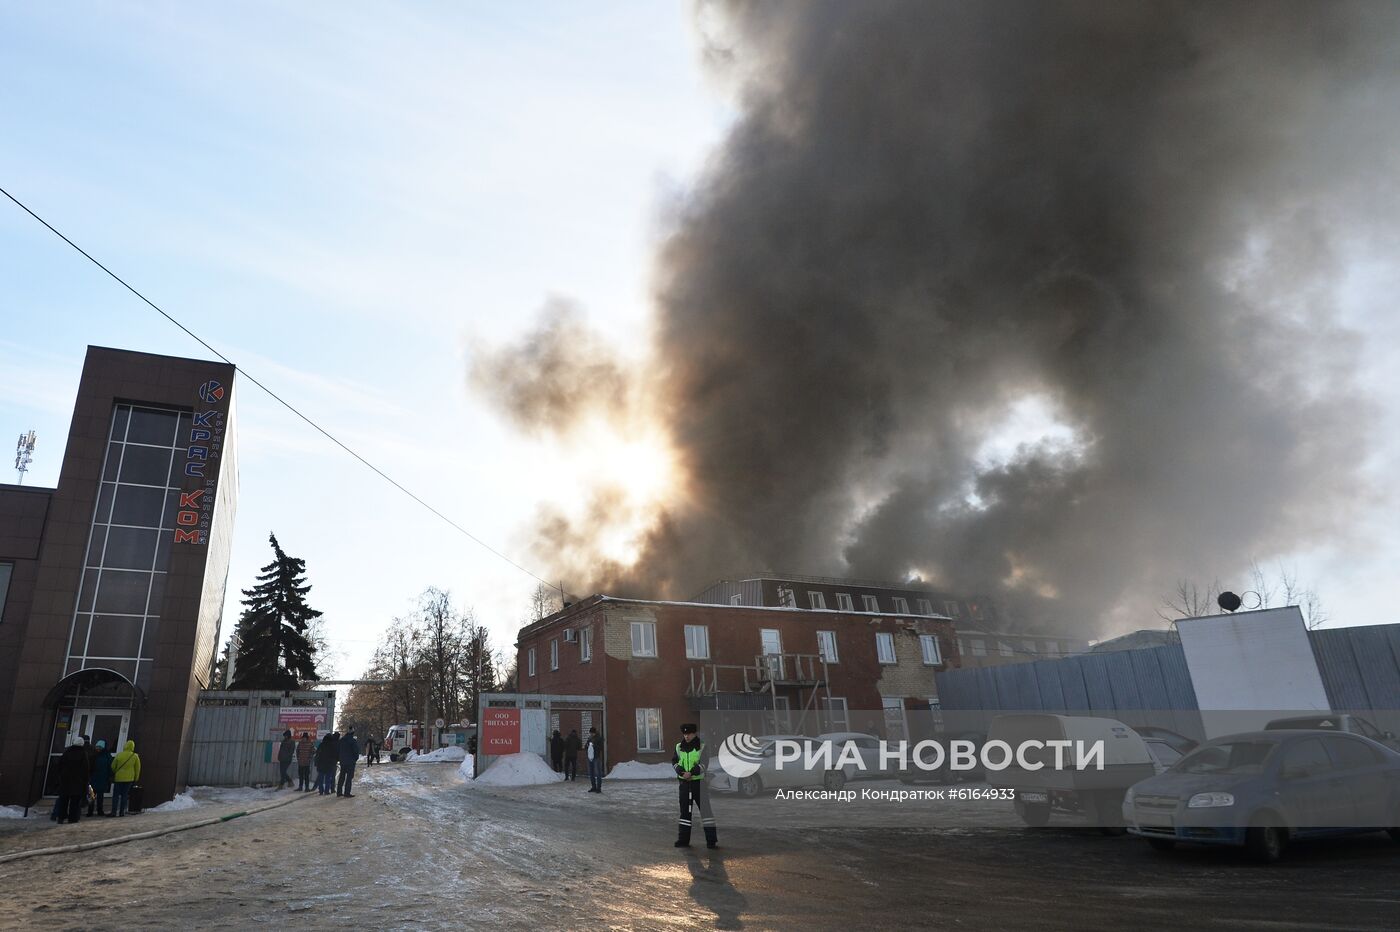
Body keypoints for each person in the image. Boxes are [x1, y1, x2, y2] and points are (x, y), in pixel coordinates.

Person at [672, 723, 717, 849]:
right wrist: (681, 772)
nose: (686, 736)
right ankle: (683, 840)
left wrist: (691, 773)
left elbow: (704, 764)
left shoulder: (702, 747)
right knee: (685, 812)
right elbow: (674, 762)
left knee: (705, 811)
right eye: (684, 734)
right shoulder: (678, 747)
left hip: (698, 784)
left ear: (694, 733)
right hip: (684, 784)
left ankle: (711, 840)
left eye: (689, 734)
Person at [56, 734, 90, 824]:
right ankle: (72, 819)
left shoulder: (67, 752)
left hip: (65, 781)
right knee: (75, 802)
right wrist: (85, 781)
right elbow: (85, 769)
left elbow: (59, 765)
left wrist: (61, 776)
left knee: (63, 800)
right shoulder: (83, 754)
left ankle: (61, 817)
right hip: (77, 782)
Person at [110, 739, 140, 817]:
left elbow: (113, 766)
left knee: (115, 795)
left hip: (118, 778)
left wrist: (116, 772)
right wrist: (136, 778)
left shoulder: (119, 755)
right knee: (124, 795)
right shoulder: (135, 756)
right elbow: (137, 768)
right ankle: (121, 812)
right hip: (129, 779)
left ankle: (113, 812)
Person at [89, 739, 114, 816]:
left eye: (99, 747)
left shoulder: (93, 755)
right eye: (97, 747)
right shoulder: (107, 756)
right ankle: (99, 811)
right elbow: (110, 767)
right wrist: (110, 776)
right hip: (101, 778)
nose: (98, 748)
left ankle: (91, 811)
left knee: (93, 795)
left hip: (94, 779)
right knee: (99, 796)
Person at [337, 728, 360, 797]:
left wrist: (340, 758)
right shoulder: (353, 741)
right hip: (350, 762)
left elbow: (338, 750)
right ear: (352, 734)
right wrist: (355, 759)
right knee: (349, 778)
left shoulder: (341, 740)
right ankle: (347, 793)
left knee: (342, 777)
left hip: (343, 761)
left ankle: (339, 792)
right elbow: (356, 751)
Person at [585, 727, 604, 793]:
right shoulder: (589, 738)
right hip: (590, 758)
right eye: (590, 733)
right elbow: (586, 746)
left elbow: (601, 747)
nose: (591, 734)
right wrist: (587, 745)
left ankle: (598, 788)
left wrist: (594, 746)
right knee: (591, 773)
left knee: (598, 773)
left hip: (596, 757)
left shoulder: (599, 738)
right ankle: (593, 787)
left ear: (594, 732)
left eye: (592, 733)